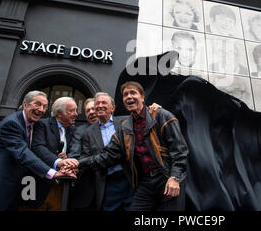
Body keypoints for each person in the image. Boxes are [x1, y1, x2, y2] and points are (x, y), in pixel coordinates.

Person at [79, 81, 189, 211]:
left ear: (142, 97)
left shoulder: (161, 115)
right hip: (147, 181)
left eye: (133, 93)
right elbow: (107, 156)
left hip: (167, 177)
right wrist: (78, 163)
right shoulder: (125, 127)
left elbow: (180, 151)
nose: (129, 97)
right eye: (125, 95)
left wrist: (174, 177)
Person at [0, 91, 75, 211]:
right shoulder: (12, 123)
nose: (41, 109)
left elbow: (39, 149)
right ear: (25, 104)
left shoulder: (34, 125)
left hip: (15, 191)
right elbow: (23, 153)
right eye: (37, 104)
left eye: (44, 107)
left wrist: (60, 160)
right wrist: (53, 173)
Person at [80, 92, 134, 211]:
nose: (99, 105)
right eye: (97, 103)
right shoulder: (88, 133)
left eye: (104, 102)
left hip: (129, 179)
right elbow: (86, 157)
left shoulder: (125, 121)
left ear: (112, 108)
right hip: (107, 182)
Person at [28, 97, 80, 210]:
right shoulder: (42, 124)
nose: (76, 114)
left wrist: (68, 159)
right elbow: (38, 147)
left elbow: (75, 150)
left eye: (76, 110)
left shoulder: (73, 130)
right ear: (59, 113)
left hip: (61, 186)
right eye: (71, 111)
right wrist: (59, 161)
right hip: (37, 184)